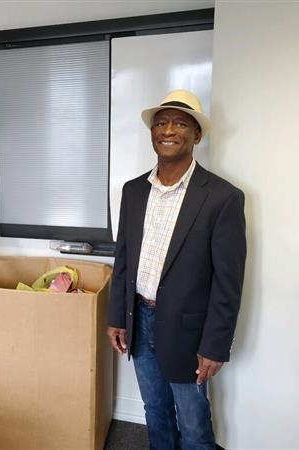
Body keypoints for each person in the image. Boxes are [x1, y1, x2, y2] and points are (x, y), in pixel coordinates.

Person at [107, 90, 246, 450]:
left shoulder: (222, 197)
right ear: (152, 132)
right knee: (155, 410)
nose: (169, 130)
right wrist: (117, 317)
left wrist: (215, 345)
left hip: (189, 330)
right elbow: (123, 260)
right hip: (139, 320)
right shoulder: (133, 191)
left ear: (197, 135)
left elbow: (228, 282)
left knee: (193, 422)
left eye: (181, 124)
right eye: (161, 123)